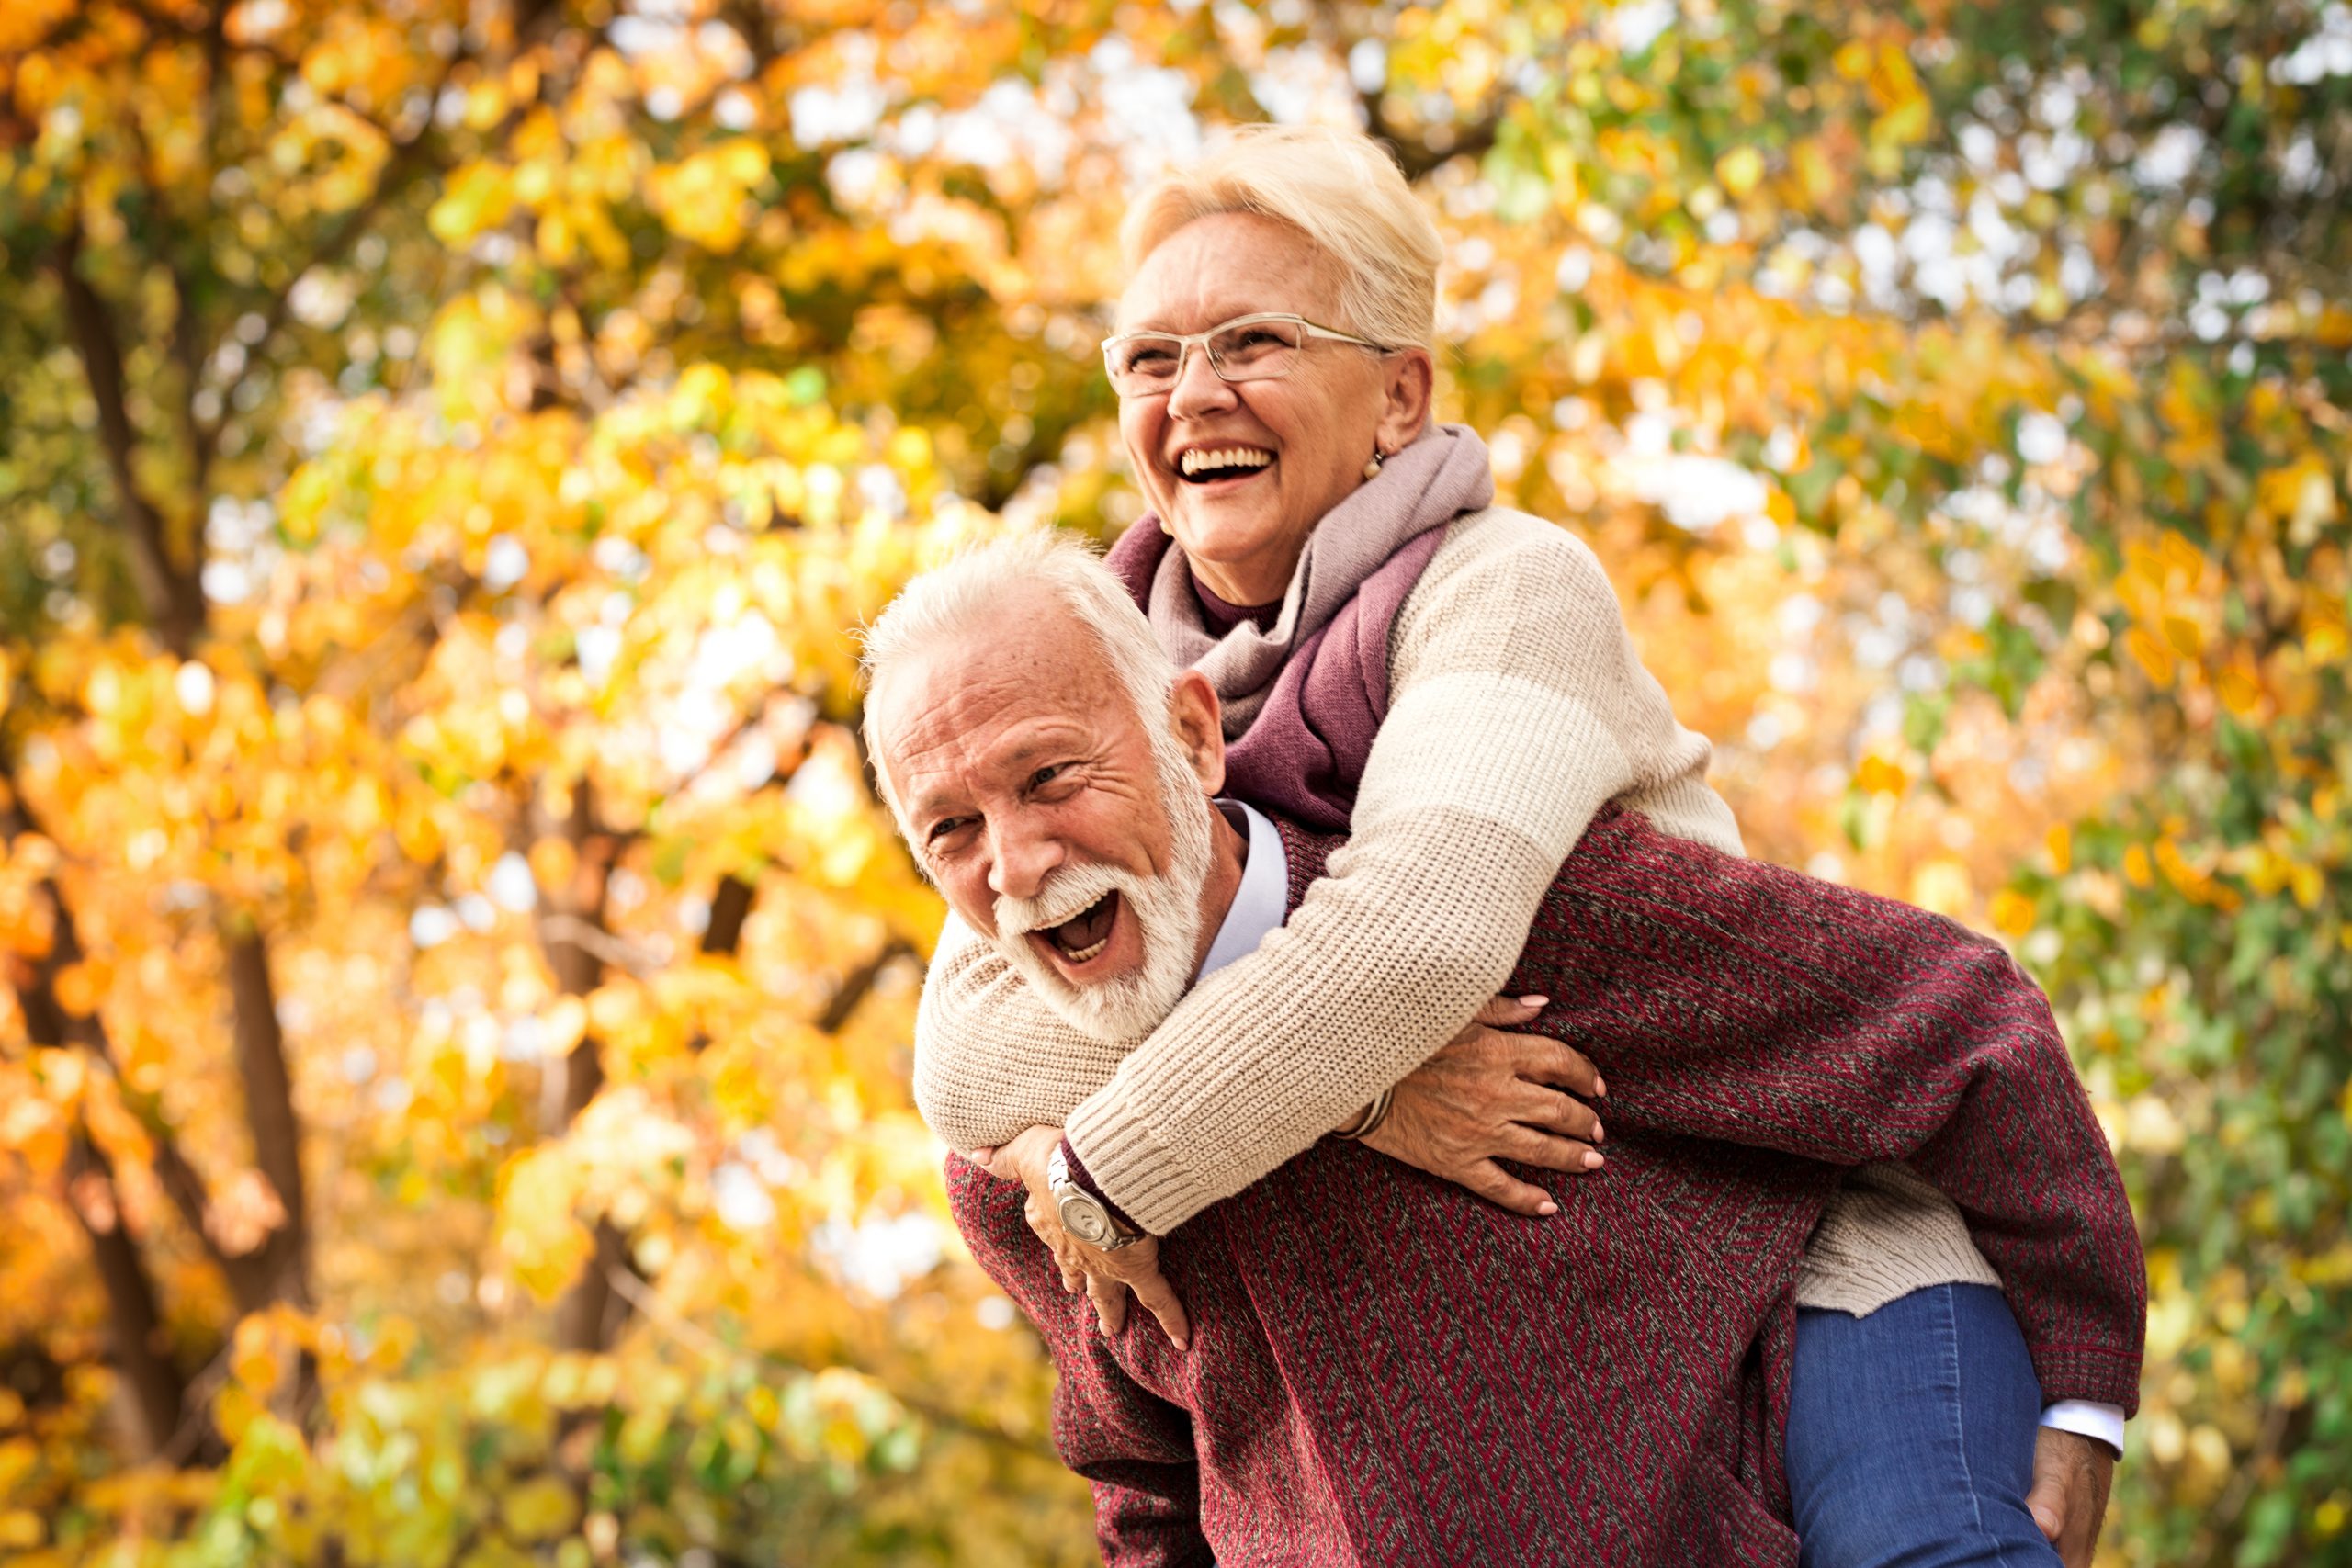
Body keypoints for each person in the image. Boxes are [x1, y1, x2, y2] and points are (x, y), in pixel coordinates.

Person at [903, 125, 2142, 1564]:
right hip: (1566, 1293)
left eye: (1254, 341)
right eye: (1149, 359)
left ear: (1398, 397)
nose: (1195, 397)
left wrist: (1103, 1172)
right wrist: (1368, 1096)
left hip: (1788, 1220)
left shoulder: (1503, 589)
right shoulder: (1084, 697)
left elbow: (1418, 939)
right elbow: (971, 1057)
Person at [861, 536, 2144, 1566]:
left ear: (1195, 738)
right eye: (951, 833)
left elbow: (1958, 1022)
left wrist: (2084, 1394)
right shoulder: (1022, 1180)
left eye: (1050, 778)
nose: (1017, 866)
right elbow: (1143, 1479)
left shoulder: (1525, 920)